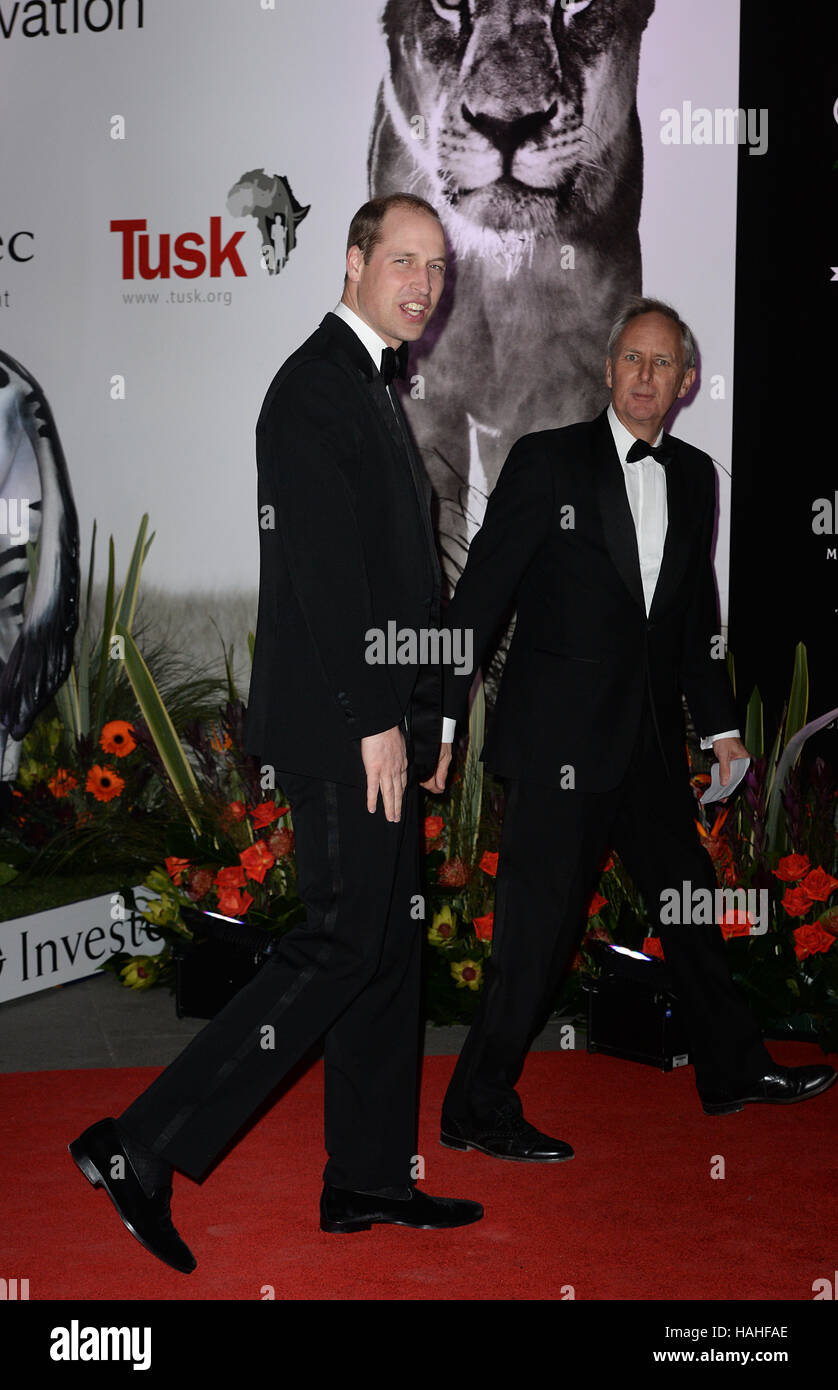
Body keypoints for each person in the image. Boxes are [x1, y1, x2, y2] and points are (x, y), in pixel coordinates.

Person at [69, 194, 482, 1273]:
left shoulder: (373, 386)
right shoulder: (310, 390)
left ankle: (367, 1179)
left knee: (387, 945)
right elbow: (329, 584)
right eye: (402, 260)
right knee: (341, 943)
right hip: (340, 728)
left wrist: (432, 711)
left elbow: (409, 584)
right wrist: (374, 724)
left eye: (435, 267)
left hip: (384, 717)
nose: (422, 284)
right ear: (350, 262)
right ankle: (141, 1145)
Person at [436, 297, 835, 1162]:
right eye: (634, 359)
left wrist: (722, 732)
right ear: (609, 369)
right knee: (535, 937)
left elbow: (693, 625)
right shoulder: (547, 463)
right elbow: (481, 596)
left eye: (665, 364)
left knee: (690, 907)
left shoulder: (696, 478)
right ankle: (474, 1104)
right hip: (558, 751)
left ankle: (731, 1068)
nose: (647, 376)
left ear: (687, 382)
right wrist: (440, 708)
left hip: (649, 750)